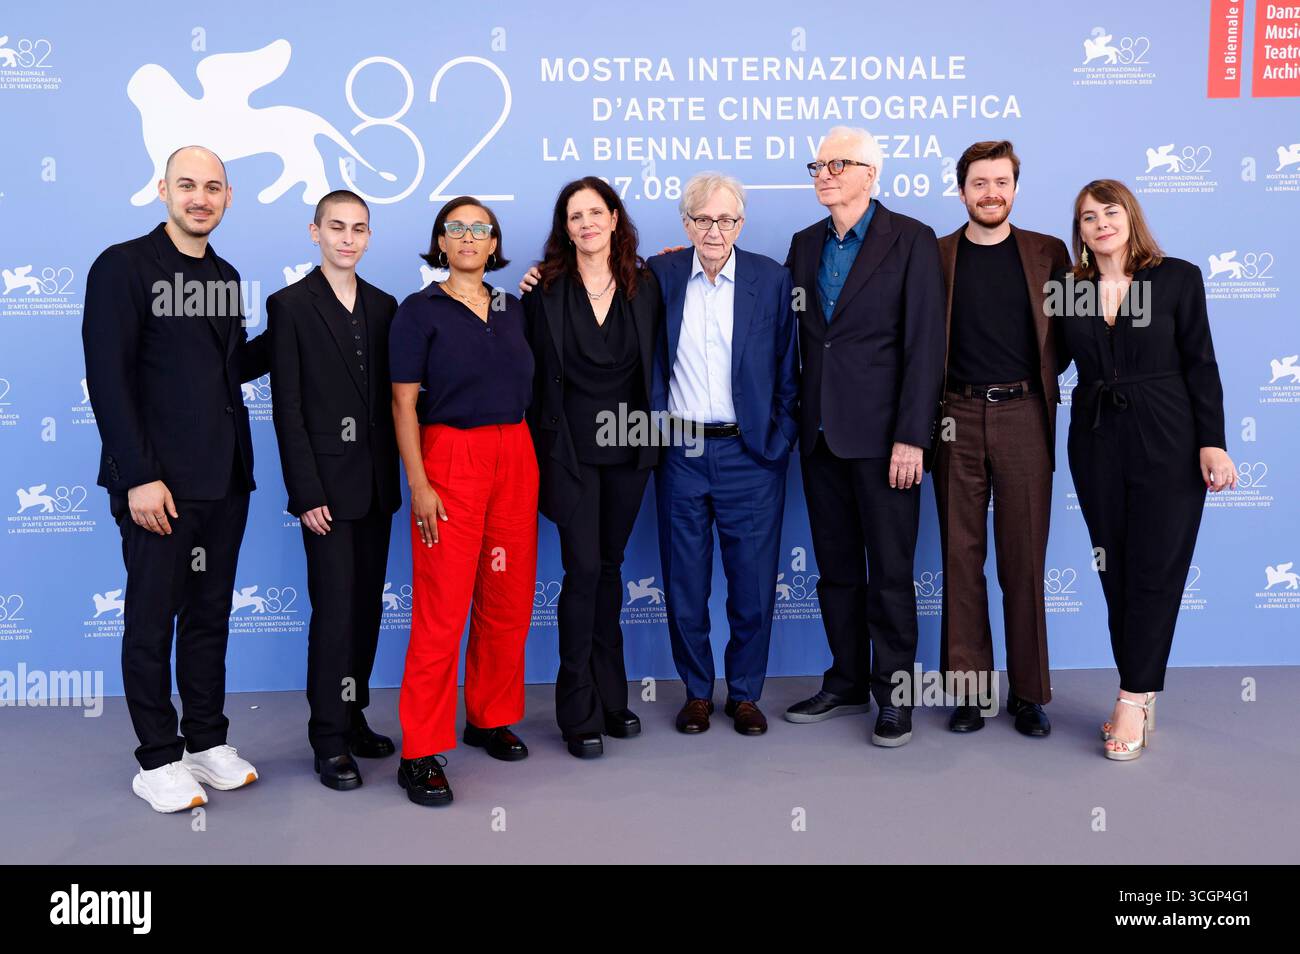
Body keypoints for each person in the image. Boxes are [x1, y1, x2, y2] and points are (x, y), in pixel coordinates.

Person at [82, 145, 269, 812]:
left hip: (225, 479)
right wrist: (138, 476)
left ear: (228, 196)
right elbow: (108, 378)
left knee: (209, 616)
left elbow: (223, 370)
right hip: (157, 483)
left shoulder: (225, 273)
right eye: (187, 185)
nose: (201, 197)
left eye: (213, 187)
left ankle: (204, 742)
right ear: (162, 190)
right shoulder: (123, 266)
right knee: (152, 619)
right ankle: (157, 758)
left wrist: (298, 326)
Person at [1052, 179, 1235, 761]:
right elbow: (1048, 359)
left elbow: (1201, 364)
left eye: (1110, 212)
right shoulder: (1070, 288)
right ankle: (1141, 683)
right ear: (1078, 232)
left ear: (1131, 217)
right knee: (1116, 570)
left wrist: (1213, 443)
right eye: (1087, 217)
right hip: (1097, 440)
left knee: (1157, 568)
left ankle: (1132, 698)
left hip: (1169, 436)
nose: (1100, 223)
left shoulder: (1175, 277)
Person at [782, 126, 946, 747]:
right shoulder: (803, 244)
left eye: (837, 163)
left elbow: (925, 344)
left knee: (891, 573)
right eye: (817, 164)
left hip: (886, 442)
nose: (823, 173)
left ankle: (894, 694)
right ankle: (846, 680)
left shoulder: (911, 239)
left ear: (870, 174)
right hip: (819, 437)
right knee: (837, 572)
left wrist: (913, 437)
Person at [389, 197, 537, 805]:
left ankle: (488, 716)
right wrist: (420, 483)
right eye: (458, 228)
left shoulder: (516, 309)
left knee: (506, 597)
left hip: (516, 454)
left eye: (482, 228)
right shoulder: (418, 312)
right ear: (441, 243)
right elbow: (402, 406)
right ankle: (420, 750)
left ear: (494, 241)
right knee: (442, 607)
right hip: (450, 458)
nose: (470, 237)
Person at [649, 172, 799, 737]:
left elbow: (790, 368)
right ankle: (694, 692)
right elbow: (597, 287)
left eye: (727, 219)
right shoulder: (658, 275)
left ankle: (744, 695)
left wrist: (778, 441)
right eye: (704, 219)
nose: (716, 230)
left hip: (751, 455)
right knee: (685, 582)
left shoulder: (771, 277)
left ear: (741, 223)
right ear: (686, 223)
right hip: (680, 453)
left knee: (753, 585)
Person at [934, 141, 1072, 738]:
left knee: (1024, 560)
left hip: (1024, 413)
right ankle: (968, 692)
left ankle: (1029, 693)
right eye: (979, 183)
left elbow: (1073, 332)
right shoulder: (934, 255)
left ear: (1015, 187)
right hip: (953, 415)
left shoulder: (1049, 253)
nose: (991, 192)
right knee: (960, 556)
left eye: (1001, 182)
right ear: (960, 189)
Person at [520, 178, 661, 759]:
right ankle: (576, 708)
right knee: (582, 572)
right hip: (568, 454)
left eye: (594, 213)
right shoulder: (542, 290)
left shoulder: (646, 283)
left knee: (609, 568)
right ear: (565, 227)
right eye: (574, 216)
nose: (585, 224)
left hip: (630, 452)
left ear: (613, 218)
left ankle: (612, 695)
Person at [267, 190, 400, 791]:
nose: (348, 238)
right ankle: (326, 737)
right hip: (324, 493)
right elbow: (288, 408)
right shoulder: (291, 306)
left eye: (359, 229)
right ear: (314, 232)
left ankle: (352, 714)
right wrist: (305, 492)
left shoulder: (385, 305)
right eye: (337, 227)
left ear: (369, 237)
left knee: (366, 609)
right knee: (334, 613)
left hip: (376, 488)